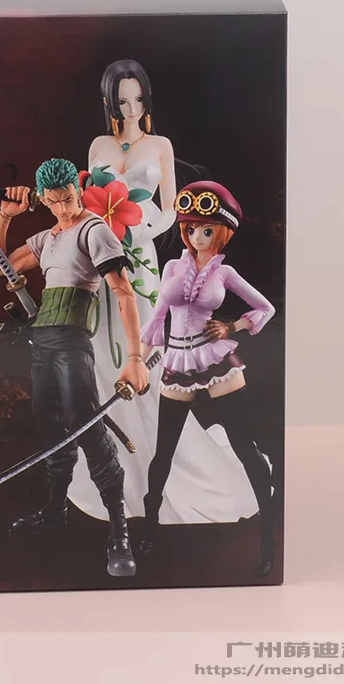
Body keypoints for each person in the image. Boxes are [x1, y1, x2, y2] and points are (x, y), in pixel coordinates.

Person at [67, 60, 266, 527]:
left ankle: (161, 469)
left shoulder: (159, 145)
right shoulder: (98, 145)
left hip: (139, 255)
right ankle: (112, 465)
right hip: (101, 253)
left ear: (147, 99)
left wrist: (135, 228)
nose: (130, 109)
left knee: (147, 352)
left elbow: (172, 209)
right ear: (109, 102)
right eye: (121, 101)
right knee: (102, 352)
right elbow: (89, 204)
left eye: (137, 99)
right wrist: (100, 231)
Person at [0, 158, 148, 577]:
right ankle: (55, 510)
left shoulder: (94, 230)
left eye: (70, 198)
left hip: (72, 342)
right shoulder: (47, 238)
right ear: (43, 200)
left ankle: (119, 531)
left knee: (86, 428)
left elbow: (124, 294)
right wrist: (5, 215)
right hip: (41, 342)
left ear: (78, 191)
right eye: (55, 202)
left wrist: (135, 359)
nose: (64, 208)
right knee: (52, 429)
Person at [137, 181, 278, 576]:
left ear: (222, 232)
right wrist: (137, 363)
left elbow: (265, 308)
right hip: (177, 361)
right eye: (192, 229)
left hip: (216, 361)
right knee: (163, 452)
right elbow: (156, 321)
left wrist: (232, 327)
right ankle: (150, 526)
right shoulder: (172, 268)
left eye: (207, 230)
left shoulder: (225, 272)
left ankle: (268, 537)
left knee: (245, 447)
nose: (198, 237)